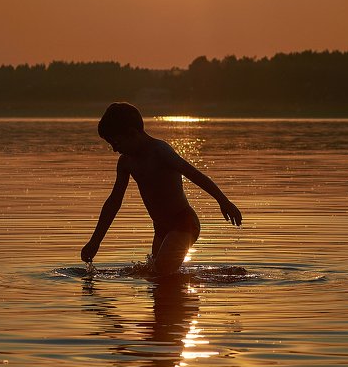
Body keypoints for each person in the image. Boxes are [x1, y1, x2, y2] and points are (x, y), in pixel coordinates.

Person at [81, 102, 242, 275]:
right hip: (160, 229)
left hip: (184, 223)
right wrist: (95, 241)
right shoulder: (126, 162)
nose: (114, 149)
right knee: (156, 280)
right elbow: (114, 202)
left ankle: (226, 277)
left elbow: (194, 174)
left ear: (132, 134)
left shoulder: (160, 151)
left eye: (116, 142)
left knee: (160, 272)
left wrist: (223, 201)